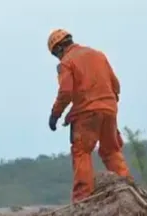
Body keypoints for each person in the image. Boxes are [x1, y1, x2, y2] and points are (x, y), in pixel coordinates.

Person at [46, 29, 132, 203]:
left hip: (87, 114)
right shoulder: (98, 55)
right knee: (111, 150)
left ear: (59, 49)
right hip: (109, 109)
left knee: (81, 151)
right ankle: (128, 190)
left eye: (56, 54)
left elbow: (66, 92)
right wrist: (107, 106)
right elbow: (115, 85)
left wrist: (55, 114)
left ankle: (82, 199)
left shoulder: (66, 62)